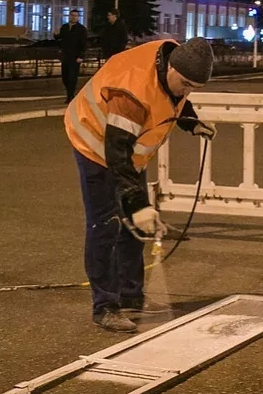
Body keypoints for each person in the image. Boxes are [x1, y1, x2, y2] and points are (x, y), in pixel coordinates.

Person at [64, 37, 217, 333]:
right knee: (105, 224)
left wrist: (191, 121)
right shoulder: (131, 95)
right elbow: (117, 154)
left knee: (135, 226)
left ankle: (130, 295)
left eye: (193, 88)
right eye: (185, 83)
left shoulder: (174, 64)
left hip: (128, 152)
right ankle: (105, 306)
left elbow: (173, 99)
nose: (186, 91)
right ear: (171, 67)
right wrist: (137, 203)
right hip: (94, 143)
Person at [54, 9, 88, 103]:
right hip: (65, 56)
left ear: (78, 17)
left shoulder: (81, 29)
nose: (73, 17)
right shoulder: (64, 27)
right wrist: (56, 35)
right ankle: (69, 94)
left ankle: (70, 95)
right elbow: (60, 39)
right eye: (72, 15)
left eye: (75, 15)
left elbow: (84, 43)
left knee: (72, 77)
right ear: (69, 16)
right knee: (65, 76)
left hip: (75, 57)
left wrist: (81, 55)